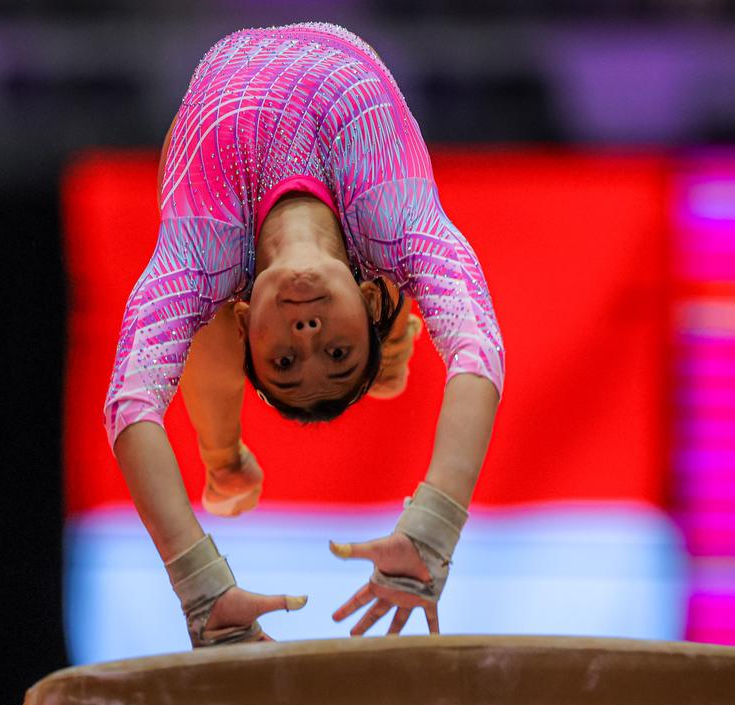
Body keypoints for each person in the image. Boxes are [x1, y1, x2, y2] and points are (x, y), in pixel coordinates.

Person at [105, 22, 504, 648]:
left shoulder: (205, 248)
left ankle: (223, 456)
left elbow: (130, 405)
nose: (308, 332)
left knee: (202, 302)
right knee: (236, 286)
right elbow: (479, 348)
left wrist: (200, 586)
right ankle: (380, 336)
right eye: (338, 353)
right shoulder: (392, 210)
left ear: (251, 330)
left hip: (223, 196)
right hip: (351, 185)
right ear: (368, 299)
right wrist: (434, 528)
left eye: (285, 359)